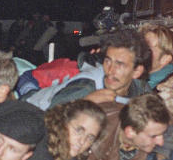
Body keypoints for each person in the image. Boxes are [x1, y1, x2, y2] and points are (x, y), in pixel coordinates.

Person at [23, 28, 151, 110]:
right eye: (108, 60)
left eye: (120, 64)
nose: (110, 70)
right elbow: (47, 122)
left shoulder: (141, 90)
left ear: (137, 72)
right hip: (29, 112)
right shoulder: (86, 88)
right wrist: (83, 104)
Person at [139, 23, 173, 89]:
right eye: (140, 44)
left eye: (147, 47)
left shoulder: (163, 90)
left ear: (165, 59)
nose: (138, 50)